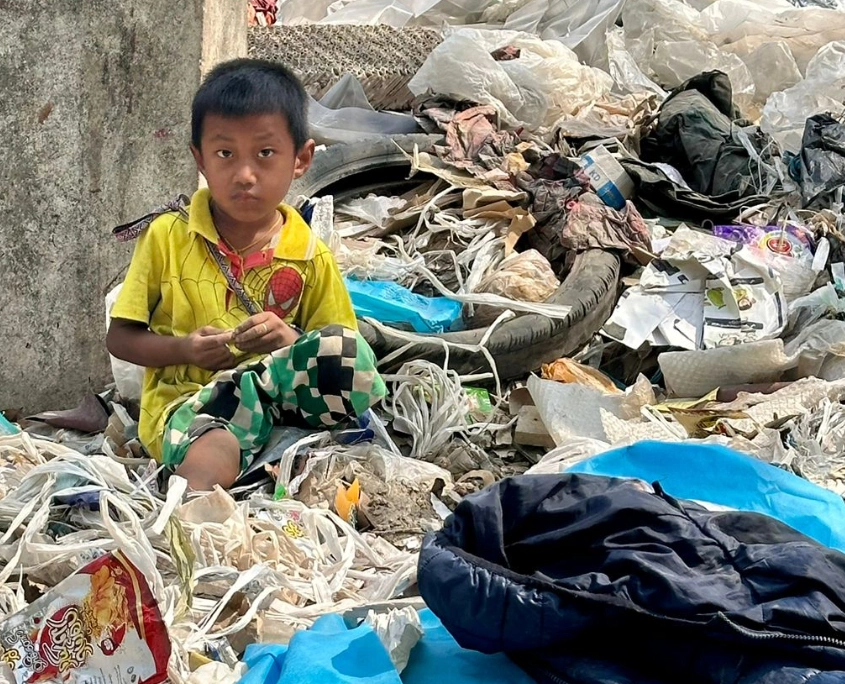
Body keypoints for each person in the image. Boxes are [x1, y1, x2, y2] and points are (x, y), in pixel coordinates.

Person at [107, 58, 386, 491]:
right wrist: (185, 350)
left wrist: (288, 340)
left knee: (350, 355)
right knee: (216, 449)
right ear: (199, 159)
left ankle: (278, 455)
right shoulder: (167, 236)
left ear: (301, 159)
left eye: (265, 153)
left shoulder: (309, 254)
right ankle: (188, 523)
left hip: (281, 399)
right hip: (194, 405)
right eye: (224, 154)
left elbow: (339, 354)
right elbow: (120, 338)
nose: (244, 174)